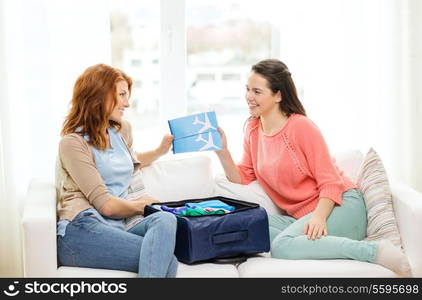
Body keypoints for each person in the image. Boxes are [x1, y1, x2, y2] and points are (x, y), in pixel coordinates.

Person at [215, 58, 411, 276]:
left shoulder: (300, 127)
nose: (249, 97)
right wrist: (222, 151)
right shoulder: (253, 130)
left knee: (282, 246)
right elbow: (243, 176)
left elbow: (330, 181)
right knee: (248, 225)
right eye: (248, 90)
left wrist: (319, 218)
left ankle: (374, 251)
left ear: (278, 95)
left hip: (340, 206)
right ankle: (308, 240)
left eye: (257, 92)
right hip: (300, 217)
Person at [56, 63, 178, 277]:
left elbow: (130, 161)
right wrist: (142, 205)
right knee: (167, 258)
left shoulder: (122, 130)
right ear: (99, 96)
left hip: (117, 226)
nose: (127, 103)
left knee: (166, 220)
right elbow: (107, 206)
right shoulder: (72, 143)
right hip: (82, 229)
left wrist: (160, 151)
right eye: (121, 95)